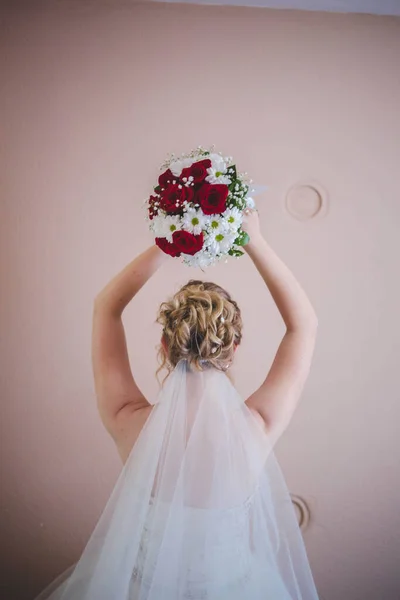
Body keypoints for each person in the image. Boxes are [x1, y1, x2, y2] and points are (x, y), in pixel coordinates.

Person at [34, 208, 320, 599]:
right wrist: (253, 238)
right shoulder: (260, 426)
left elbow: (106, 307)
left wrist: (170, 239)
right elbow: (304, 324)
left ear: (166, 345)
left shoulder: (126, 419)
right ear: (233, 349)